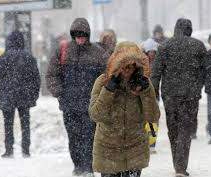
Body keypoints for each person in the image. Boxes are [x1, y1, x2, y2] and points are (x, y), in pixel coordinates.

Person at [46, 18, 109, 177]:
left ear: (88, 35)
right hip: (70, 104)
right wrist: (58, 91)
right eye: (77, 35)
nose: (80, 37)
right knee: (73, 137)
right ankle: (78, 165)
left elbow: (106, 76)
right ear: (73, 35)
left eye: (83, 35)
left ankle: (87, 167)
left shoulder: (98, 53)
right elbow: (52, 74)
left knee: (89, 137)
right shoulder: (63, 50)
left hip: (90, 105)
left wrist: (102, 96)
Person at [89, 41, 160, 177]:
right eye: (123, 65)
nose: (127, 70)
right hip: (108, 149)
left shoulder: (143, 83)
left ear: (137, 65)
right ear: (116, 63)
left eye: (131, 66)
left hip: (135, 148)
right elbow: (96, 115)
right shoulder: (102, 82)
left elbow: (153, 117)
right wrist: (109, 89)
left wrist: (146, 91)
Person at [151, 18, 207, 177]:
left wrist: (154, 92)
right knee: (185, 129)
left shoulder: (165, 46)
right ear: (190, 29)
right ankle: (181, 167)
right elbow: (205, 70)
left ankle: (178, 164)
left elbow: (156, 72)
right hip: (190, 95)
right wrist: (197, 85)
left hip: (170, 95)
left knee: (173, 129)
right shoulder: (198, 46)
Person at [0, 31, 40, 158]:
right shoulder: (29, 57)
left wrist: (1, 93)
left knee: (8, 124)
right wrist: (34, 94)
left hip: (7, 96)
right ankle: (26, 150)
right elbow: (36, 78)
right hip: (24, 95)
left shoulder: (3, 58)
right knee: (25, 123)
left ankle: (9, 150)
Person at [141, 38, 159, 153]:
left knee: (153, 119)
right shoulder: (141, 63)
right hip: (143, 94)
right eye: (150, 52)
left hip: (155, 95)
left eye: (153, 52)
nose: (152, 55)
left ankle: (152, 142)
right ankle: (144, 141)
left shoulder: (158, 63)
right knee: (143, 119)